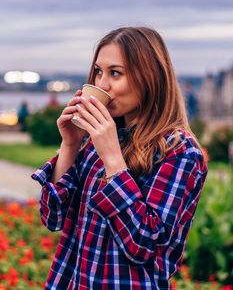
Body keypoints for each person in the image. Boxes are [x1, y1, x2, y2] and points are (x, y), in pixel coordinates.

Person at [31, 27, 208, 289]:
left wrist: (113, 157)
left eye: (115, 73)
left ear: (150, 77)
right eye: (98, 72)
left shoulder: (180, 151)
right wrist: (70, 143)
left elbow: (143, 244)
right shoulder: (93, 143)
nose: (102, 85)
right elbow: (52, 216)